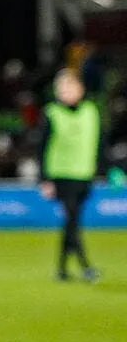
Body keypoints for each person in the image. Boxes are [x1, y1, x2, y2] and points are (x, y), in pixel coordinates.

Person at [39, 69, 102, 282]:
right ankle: (86, 266)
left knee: (71, 222)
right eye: (61, 88)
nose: (64, 92)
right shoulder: (51, 113)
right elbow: (41, 147)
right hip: (61, 175)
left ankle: (62, 269)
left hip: (84, 174)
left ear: (80, 89)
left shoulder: (91, 111)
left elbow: (99, 142)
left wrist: (106, 167)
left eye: (69, 87)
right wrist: (44, 179)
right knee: (73, 220)